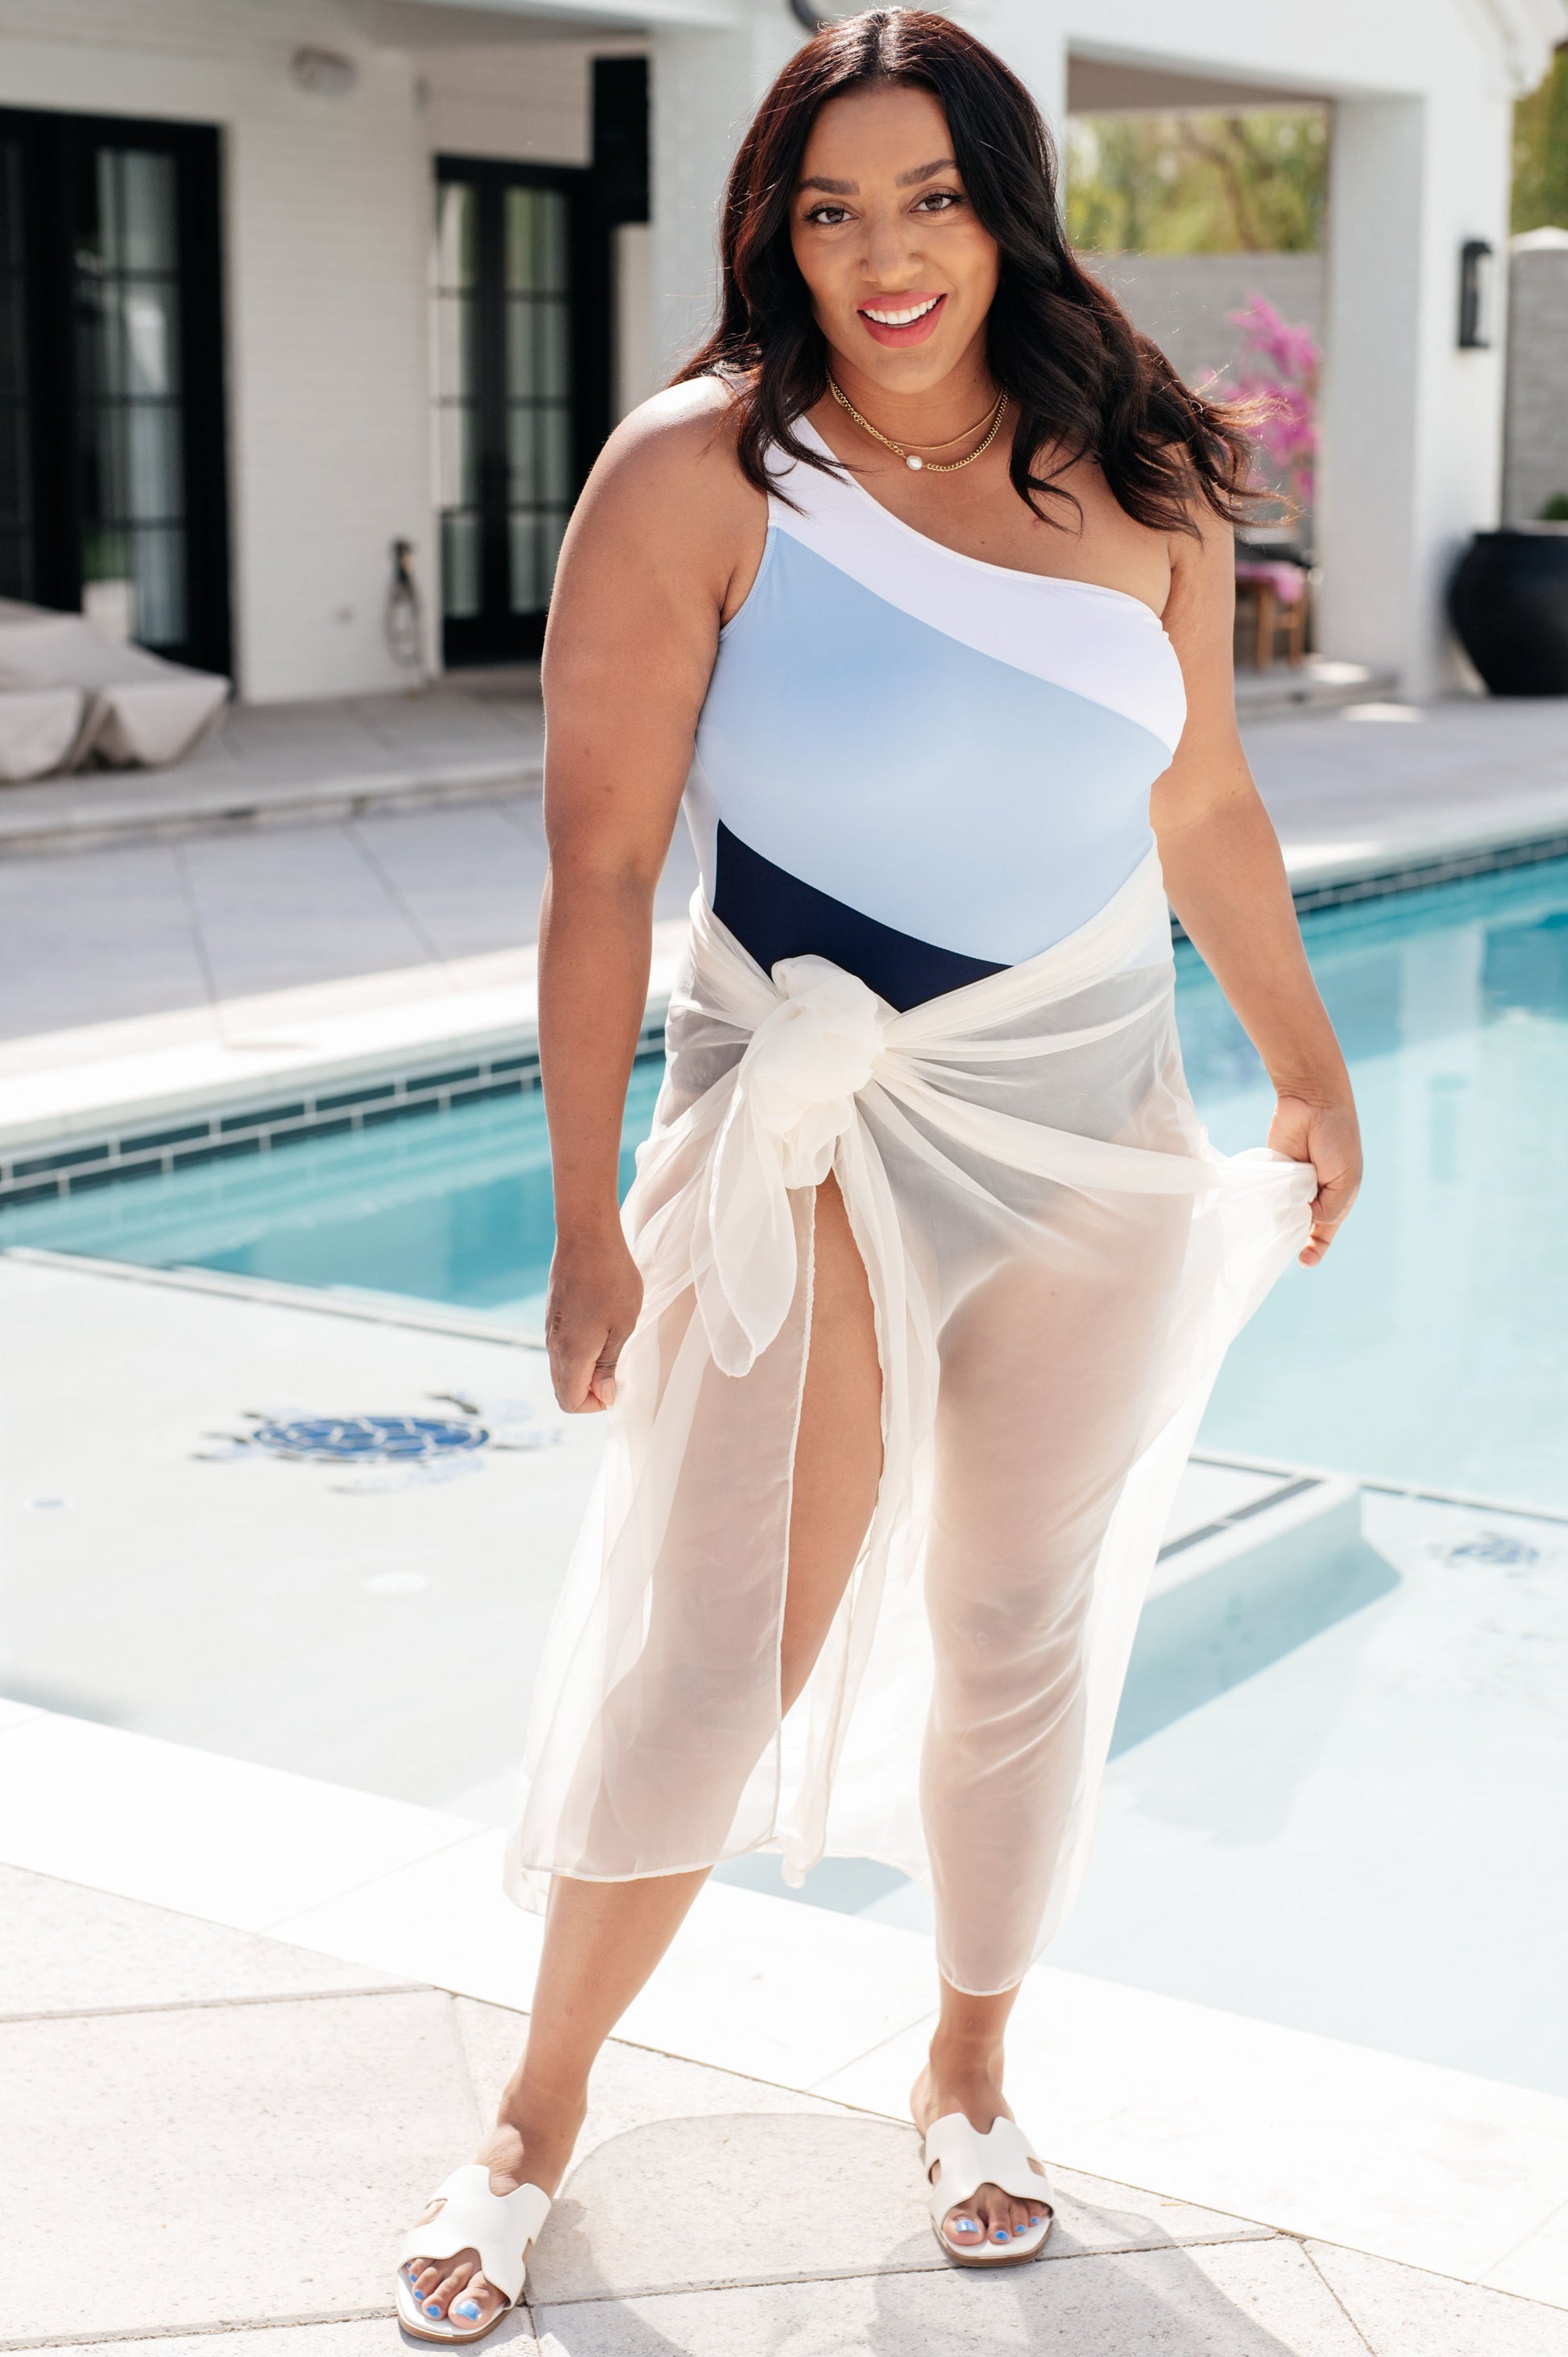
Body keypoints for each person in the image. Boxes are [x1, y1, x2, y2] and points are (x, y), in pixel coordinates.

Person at [396, 10, 1361, 2334]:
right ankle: (530, 2115)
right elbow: (598, 873)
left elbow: (1205, 803)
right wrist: (580, 1210)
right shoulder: (697, 477)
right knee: (726, 1638)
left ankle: (967, 2072)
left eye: (928, 200)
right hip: (804, 1117)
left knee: (1018, 1624)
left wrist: (1310, 1071)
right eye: (831, 212)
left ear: (1004, 210)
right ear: (780, 236)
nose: (884, 254)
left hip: (1086, 1114)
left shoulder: (1145, 478)